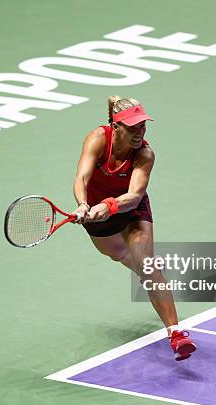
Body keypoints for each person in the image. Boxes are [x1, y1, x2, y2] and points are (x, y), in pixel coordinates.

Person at [72, 96, 197, 361]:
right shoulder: (98, 138)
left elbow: (134, 196)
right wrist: (83, 205)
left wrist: (108, 205)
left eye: (142, 126)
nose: (139, 132)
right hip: (97, 211)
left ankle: (176, 334)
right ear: (116, 127)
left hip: (130, 210)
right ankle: (146, 268)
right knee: (117, 254)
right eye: (133, 127)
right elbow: (81, 176)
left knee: (148, 268)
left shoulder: (145, 154)